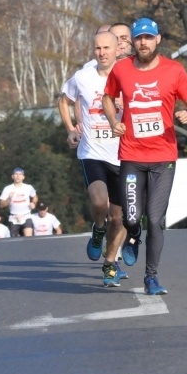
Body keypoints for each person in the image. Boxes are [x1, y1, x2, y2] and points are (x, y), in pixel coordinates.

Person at [103, 17, 187, 295]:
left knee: (155, 220)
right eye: (138, 38)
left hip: (163, 157)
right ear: (132, 42)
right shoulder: (122, 69)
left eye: (148, 37)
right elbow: (108, 97)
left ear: (157, 40)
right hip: (132, 156)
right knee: (132, 219)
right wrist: (113, 122)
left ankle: (151, 277)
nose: (143, 42)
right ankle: (133, 238)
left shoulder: (174, 70)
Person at [60, 31, 129, 287]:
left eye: (106, 48)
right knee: (100, 203)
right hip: (92, 152)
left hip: (123, 155)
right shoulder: (83, 77)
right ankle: (98, 228)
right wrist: (70, 128)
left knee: (119, 218)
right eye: (97, 47)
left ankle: (109, 264)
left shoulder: (128, 76)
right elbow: (64, 100)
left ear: (117, 49)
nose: (102, 52)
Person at [0, 167, 37, 237]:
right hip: (14, 217)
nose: (18, 176)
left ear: (23, 177)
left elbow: (35, 197)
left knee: (28, 237)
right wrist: (9, 199)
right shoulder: (7, 189)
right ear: (12, 177)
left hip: (26, 216)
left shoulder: (28, 187)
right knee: (14, 240)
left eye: (20, 174)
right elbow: (1, 205)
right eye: (16, 174)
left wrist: (33, 203)